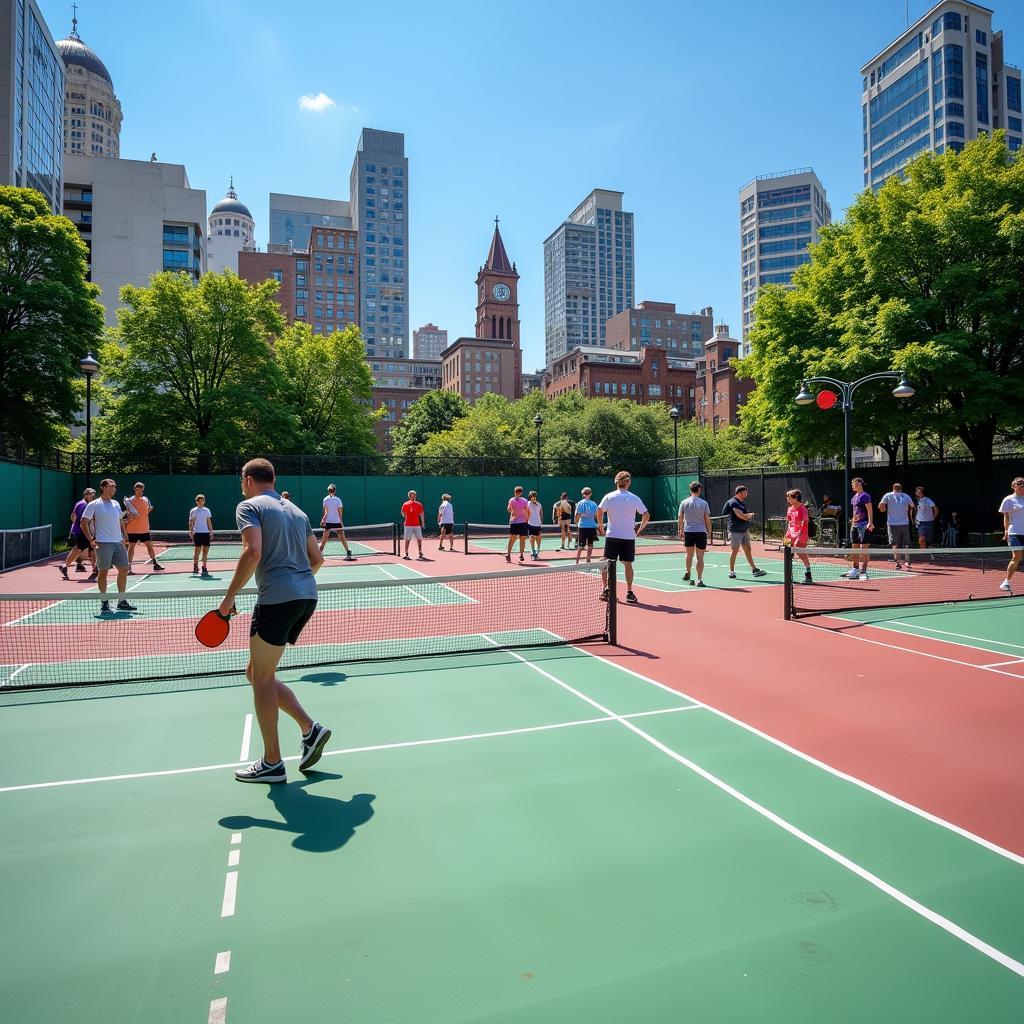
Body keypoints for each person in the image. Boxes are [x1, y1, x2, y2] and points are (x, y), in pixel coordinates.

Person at [217, 458, 331, 784]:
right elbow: (318, 559)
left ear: (248, 480)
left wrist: (228, 599)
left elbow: (252, 552)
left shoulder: (249, 506)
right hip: (307, 596)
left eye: (242, 482)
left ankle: (272, 763)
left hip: (278, 599)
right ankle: (311, 729)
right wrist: (296, 583)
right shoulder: (297, 511)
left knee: (262, 679)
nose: (241, 487)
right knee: (255, 673)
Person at [80, 479, 136, 614]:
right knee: (103, 572)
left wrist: (124, 534)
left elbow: (119, 520)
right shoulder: (94, 504)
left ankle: (121, 600)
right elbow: (83, 521)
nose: (115, 488)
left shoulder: (116, 503)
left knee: (124, 569)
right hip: (103, 543)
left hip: (118, 542)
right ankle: (104, 602)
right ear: (104, 488)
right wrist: (90, 539)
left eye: (115, 486)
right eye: (112, 486)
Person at [596, 470, 650, 604]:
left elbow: (599, 511)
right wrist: (640, 529)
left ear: (616, 482)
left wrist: (601, 526)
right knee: (628, 564)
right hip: (628, 537)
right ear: (628, 482)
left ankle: (606, 589)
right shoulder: (634, 497)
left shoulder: (609, 496)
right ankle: (629, 593)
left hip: (612, 535)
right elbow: (646, 515)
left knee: (605, 563)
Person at [722, 485, 767, 580]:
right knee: (735, 550)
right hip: (735, 531)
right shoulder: (733, 502)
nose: (746, 494)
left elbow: (743, 515)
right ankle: (731, 571)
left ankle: (754, 569)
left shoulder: (741, 503)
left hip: (744, 530)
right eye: (745, 492)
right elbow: (739, 515)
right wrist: (748, 516)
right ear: (739, 493)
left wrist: (748, 515)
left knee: (748, 549)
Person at [124, 482, 164, 574]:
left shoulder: (146, 499)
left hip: (144, 529)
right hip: (132, 529)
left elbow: (148, 510)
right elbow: (128, 513)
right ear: (135, 490)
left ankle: (155, 564)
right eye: (138, 490)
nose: (139, 491)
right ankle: (129, 567)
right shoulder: (129, 501)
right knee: (131, 548)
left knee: (150, 547)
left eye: (141, 489)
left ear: (143, 489)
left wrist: (148, 510)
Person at [677, 480, 712, 587]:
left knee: (689, 554)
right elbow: (707, 518)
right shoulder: (704, 503)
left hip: (689, 531)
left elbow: (680, 517)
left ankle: (688, 572)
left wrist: (681, 530)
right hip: (701, 532)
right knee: (700, 556)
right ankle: (699, 579)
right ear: (699, 489)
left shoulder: (684, 502)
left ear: (690, 490)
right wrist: (709, 530)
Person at [60, 487, 97, 580]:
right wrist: (75, 527)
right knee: (79, 549)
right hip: (82, 531)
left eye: (93, 494)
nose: (92, 495)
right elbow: (79, 519)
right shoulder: (83, 505)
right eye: (89, 494)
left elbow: (73, 516)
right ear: (85, 494)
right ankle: (65, 565)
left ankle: (95, 571)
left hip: (87, 531)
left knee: (92, 550)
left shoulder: (87, 504)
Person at [878, 482, 915, 570]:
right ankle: (906, 561)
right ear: (901, 489)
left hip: (894, 524)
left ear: (893, 488)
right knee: (905, 544)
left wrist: (882, 506)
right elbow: (913, 506)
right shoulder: (906, 496)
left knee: (895, 544)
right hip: (901, 524)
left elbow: (881, 508)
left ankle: (898, 563)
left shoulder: (888, 495)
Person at [997, 476, 1024, 594]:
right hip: (1014, 533)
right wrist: (1006, 531)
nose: (1021, 486)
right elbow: (1006, 516)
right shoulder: (1008, 499)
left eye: (1023, 484)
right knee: (1017, 557)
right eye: (1019, 484)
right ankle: (1006, 582)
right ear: (1013, 486)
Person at [847, 477, 873, 580]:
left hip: (864, 525)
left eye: (854, 483)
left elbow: (869, 510)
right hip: (855, 525)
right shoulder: (854, 498)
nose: (853, 485)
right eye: (852, 483)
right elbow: (855, 512)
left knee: (864, 548)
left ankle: (864, 571)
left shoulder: (865, 496)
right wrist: (853, 521)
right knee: (854, 547)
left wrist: (870, 523)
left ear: (860, 484)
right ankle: (855, 569)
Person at [784, 489, 813, 584]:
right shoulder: (789, 509)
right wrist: (787, 535)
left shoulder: (803, 509)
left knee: (801, 554)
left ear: (795, 497)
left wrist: (799, 532)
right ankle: (789, 576)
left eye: (789, 497)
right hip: (789, 535)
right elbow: (790, 522)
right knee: (787, 554)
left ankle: (808, 575)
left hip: (801, 535)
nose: (787, 499)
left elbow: (805, 522)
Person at [319, 484, 354, 561]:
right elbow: (340, 513)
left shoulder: (325, 499)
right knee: (342, 538)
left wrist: (323, 519)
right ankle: (348, 552)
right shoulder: (338, 500)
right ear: (334, 491)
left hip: (329, 522)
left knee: (324, 539)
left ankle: (319, 554)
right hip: (336, 522)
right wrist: (341, 523)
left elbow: (325, 512)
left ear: (328, 491)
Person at [189, 493, 214, 577]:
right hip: (197, 534)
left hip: (206, 533)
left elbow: (208, 521)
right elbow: (190, 522)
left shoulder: (207, 510)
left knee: (205, 552)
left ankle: (204, 567)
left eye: (202, 501)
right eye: (199, 501)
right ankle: (195, 566)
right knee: (197, 551)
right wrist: (191, 531)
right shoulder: (193, 510)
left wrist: (211, 532)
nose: (201, 502)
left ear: (204, 501)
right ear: (196, 502)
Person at [575, 487, 599, 565]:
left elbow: (577, 515)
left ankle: (577, 561)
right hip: (592, 526)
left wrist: (576, 522)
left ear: (582, 494)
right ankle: (588, 560)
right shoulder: (594, 504)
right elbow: (597, 515)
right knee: (590, 544)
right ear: (590, 494)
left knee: (581, 545)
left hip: (582, 526)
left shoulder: (580, 503)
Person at [506, 486, 530, 563]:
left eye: (518, 492)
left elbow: (509, 509)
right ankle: (511, 554)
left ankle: (519, 554)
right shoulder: (513, 500)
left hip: (521, 522)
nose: (517, 493)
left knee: (519, 538)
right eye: (517, 492)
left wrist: (527, 520)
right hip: (515, 522)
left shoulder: (523, 501)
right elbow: (509, 509)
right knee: (515, 538)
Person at [401, 490, 426, 560]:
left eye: (415, 494)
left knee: (419, 539)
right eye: (412, 495)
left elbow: (422, 514)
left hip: (417, 525)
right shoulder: (405, 504)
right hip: (408, 525)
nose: (414, 496)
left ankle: (420, 553)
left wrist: (423, 523)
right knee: (407, 540)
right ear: (409, 496)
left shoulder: (419, 504)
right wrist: (405, 517)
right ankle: (406, 554)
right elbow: (402, 511)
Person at [526, 490, 544, 560]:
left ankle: (537, 551)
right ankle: (533, 552)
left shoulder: (539, 504)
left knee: (538, 538)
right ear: (530, 498)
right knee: (532, 538)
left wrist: (541, 522)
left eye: (535, 497)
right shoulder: (528, 504)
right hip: (530, 524)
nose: (534, 498)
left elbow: (541, 513)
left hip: (538, 524)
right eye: (532, 497)